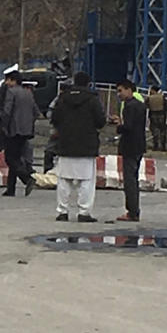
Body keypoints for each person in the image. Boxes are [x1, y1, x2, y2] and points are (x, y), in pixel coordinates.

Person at [50, 72, 106, 222]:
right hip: (86, 145)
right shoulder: (93, 99)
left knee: (63, 181)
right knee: (86, 181)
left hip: (65, 143)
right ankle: (84, 212)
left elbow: (54, 118)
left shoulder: (62, 98)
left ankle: (62, 211)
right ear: (88, 83)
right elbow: (100, 121)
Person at [111, 79, 146, 222]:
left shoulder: (129, 106)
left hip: (130, 146)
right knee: (134, 179)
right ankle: (134, 210)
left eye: (120, 90)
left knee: (130, 181)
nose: (118, 94)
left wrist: (119, 125)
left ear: (129, 89)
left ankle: (132, 211)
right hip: (139, 146)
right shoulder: (141, 105)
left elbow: (128, 127)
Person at [0, 71, 37, 197]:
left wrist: (2, 124)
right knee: (15, 158)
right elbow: (35, 111)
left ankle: (27, 179)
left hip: (13, 129)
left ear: (13, 81)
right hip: (26, 130)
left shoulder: (11, 92)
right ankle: (11, 189)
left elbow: (7, 111)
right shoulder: (28, 93)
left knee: (10, 158)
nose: (6, 83)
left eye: (8, 80)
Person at [147, 85, 167, 151]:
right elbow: (166, 106)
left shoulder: (149, 98)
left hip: (153, 115)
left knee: (154, 131)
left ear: (153, 90)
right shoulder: (162, 97)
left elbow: (146, 106)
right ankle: (163, 146)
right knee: (163, 131)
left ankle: (155, 146)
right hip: (162, 115)